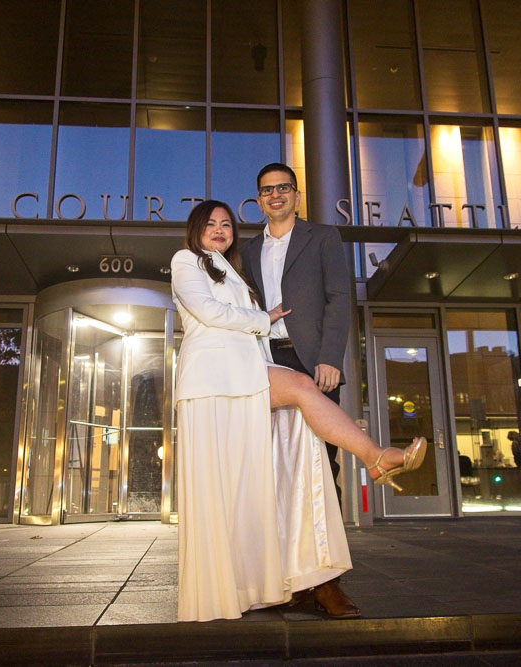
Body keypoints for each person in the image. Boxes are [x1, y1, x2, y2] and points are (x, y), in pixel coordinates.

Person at [171, 200, 426, 623]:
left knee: (270, 459)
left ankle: (371, 466)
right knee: (295, 403)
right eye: (210, 224)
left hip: (244, 367)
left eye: (226, 224)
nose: (219, 230)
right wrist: (262, 318)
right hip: (215, 376)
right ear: (196, 230)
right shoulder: (187, 260)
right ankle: (376, 459)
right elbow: (207, 311)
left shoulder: (231, 268)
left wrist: (260, 323)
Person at [239, 163, 356, 617]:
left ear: (296, 195)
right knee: (270, 473)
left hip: (312, 362)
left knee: (322, 471)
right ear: (259, 198)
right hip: (263, 366)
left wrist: (330, 356)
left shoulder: (323, 237)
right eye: (266, 190)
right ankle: (283, 580)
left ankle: (328, 582)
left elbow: (339, 298)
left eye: (283, 188)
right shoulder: (247, 250)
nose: (275, 196)